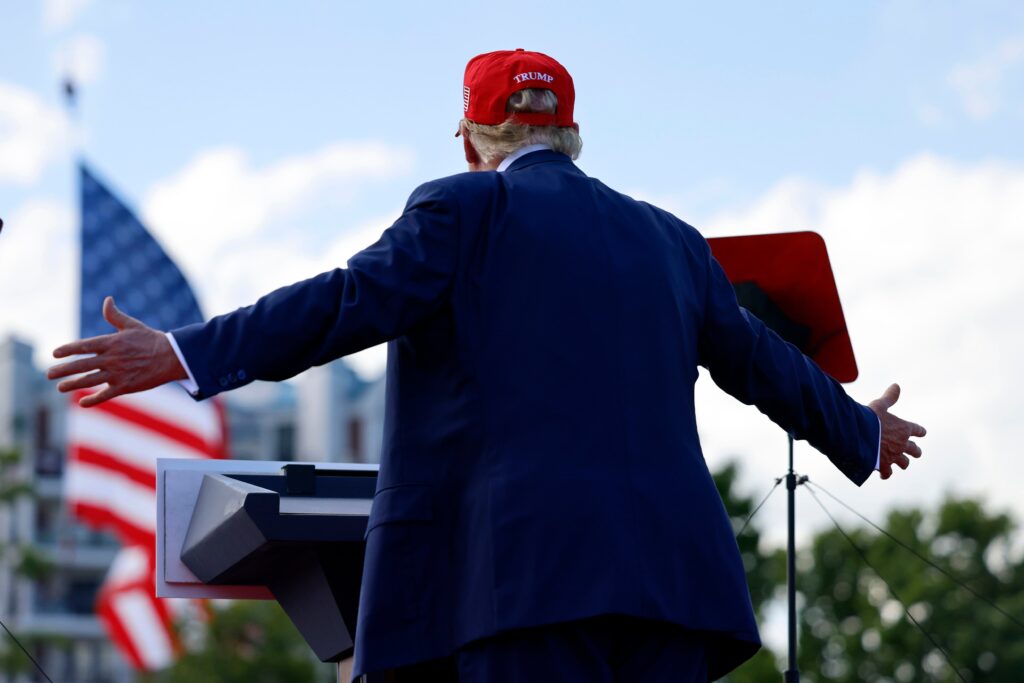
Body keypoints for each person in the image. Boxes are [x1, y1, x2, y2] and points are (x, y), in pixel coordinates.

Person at [48, 49, 925, 682]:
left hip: (524, 589)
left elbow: (343, 303)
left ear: (471, 141)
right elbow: (763, 360)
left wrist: (182, 350)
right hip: (675, 597)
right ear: (573, 135)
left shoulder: (464, 211)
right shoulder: (671, 240)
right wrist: (860, 428)